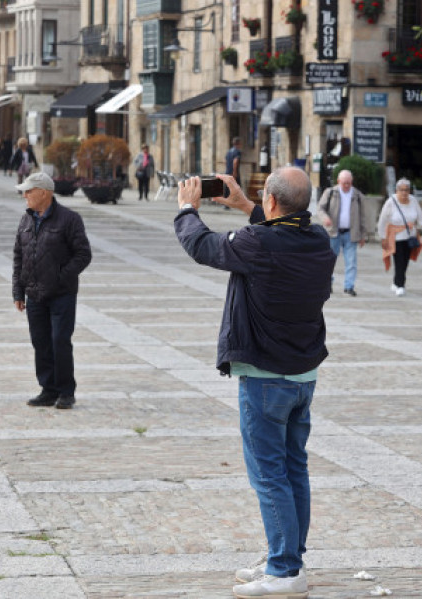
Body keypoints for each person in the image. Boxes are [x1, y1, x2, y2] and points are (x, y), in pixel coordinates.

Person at [174, 168, 335, 599]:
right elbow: (278, 234)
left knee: (269, 475)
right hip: (303, 375)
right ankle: (288, 558)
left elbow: (201, 245)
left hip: (265, 377)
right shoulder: (319, 240)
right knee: (293, 468)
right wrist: (246, 205)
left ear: (273, 203)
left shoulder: (258, 243)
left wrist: (188, 207)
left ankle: (284, 571)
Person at [12, 172, 92, 410]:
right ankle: (48, 389)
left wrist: (60, 277)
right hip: (34, 293)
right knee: (41, 342)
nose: (25, 195)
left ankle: (66, 391)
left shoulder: (69, 219)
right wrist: (18, 291)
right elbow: (18, 256)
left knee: (59, 341)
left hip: (61, 294)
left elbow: (83, 255)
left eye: (29, 191)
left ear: (44, 193)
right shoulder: (25, 220)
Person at [316, 169, 367, 296]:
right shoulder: (331, 192)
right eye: (344, 183)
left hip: (351, 232)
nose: (346, 185)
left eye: (349, 183)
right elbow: (320, 208)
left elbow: (363, 216)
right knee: (330, 260)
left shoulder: (357, 195)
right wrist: (325, 218)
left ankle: (349, 286)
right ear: (338, 181)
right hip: (333, 232)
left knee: (351, 262)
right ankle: (328, 284)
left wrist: (363, 234)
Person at [377, 177, 422, 296]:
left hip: (410, 236)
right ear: (397, 190)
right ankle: (401, 285)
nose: (404, 193)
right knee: (399, 261)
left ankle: (396, 282)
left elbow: (420, 216)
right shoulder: (391, 202)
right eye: (401, 190)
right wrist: (383, 237)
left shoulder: (413, 200)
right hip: (395, 237)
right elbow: (383, 220)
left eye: (406, 190)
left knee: (405, 261)